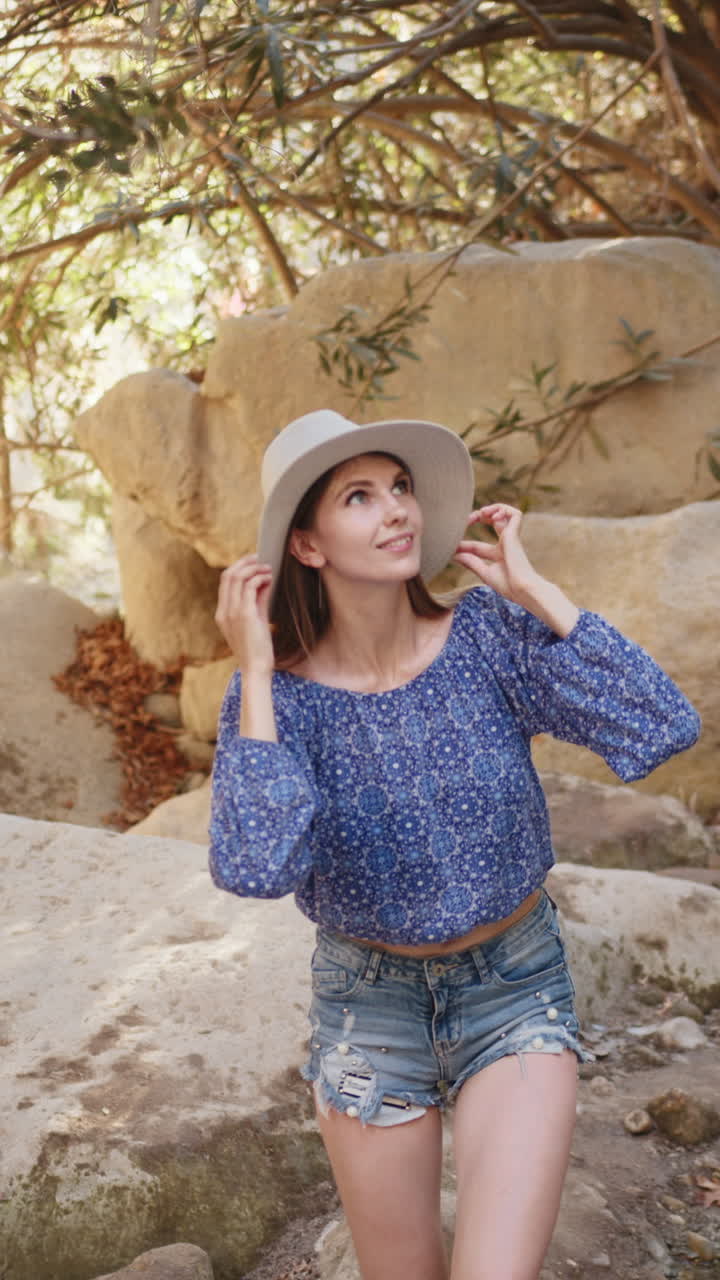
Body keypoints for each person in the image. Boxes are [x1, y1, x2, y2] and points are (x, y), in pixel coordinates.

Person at [208, 408, 700, 1280]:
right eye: (358, 497)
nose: (397, 509)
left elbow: (661, 725)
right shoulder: (280, 701)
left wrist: (535, 593)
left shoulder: (484, 637)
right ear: (309, 546)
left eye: (400, 488)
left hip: (513, 990)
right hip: (369, 1011)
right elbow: (256, 864)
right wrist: (253, 669)